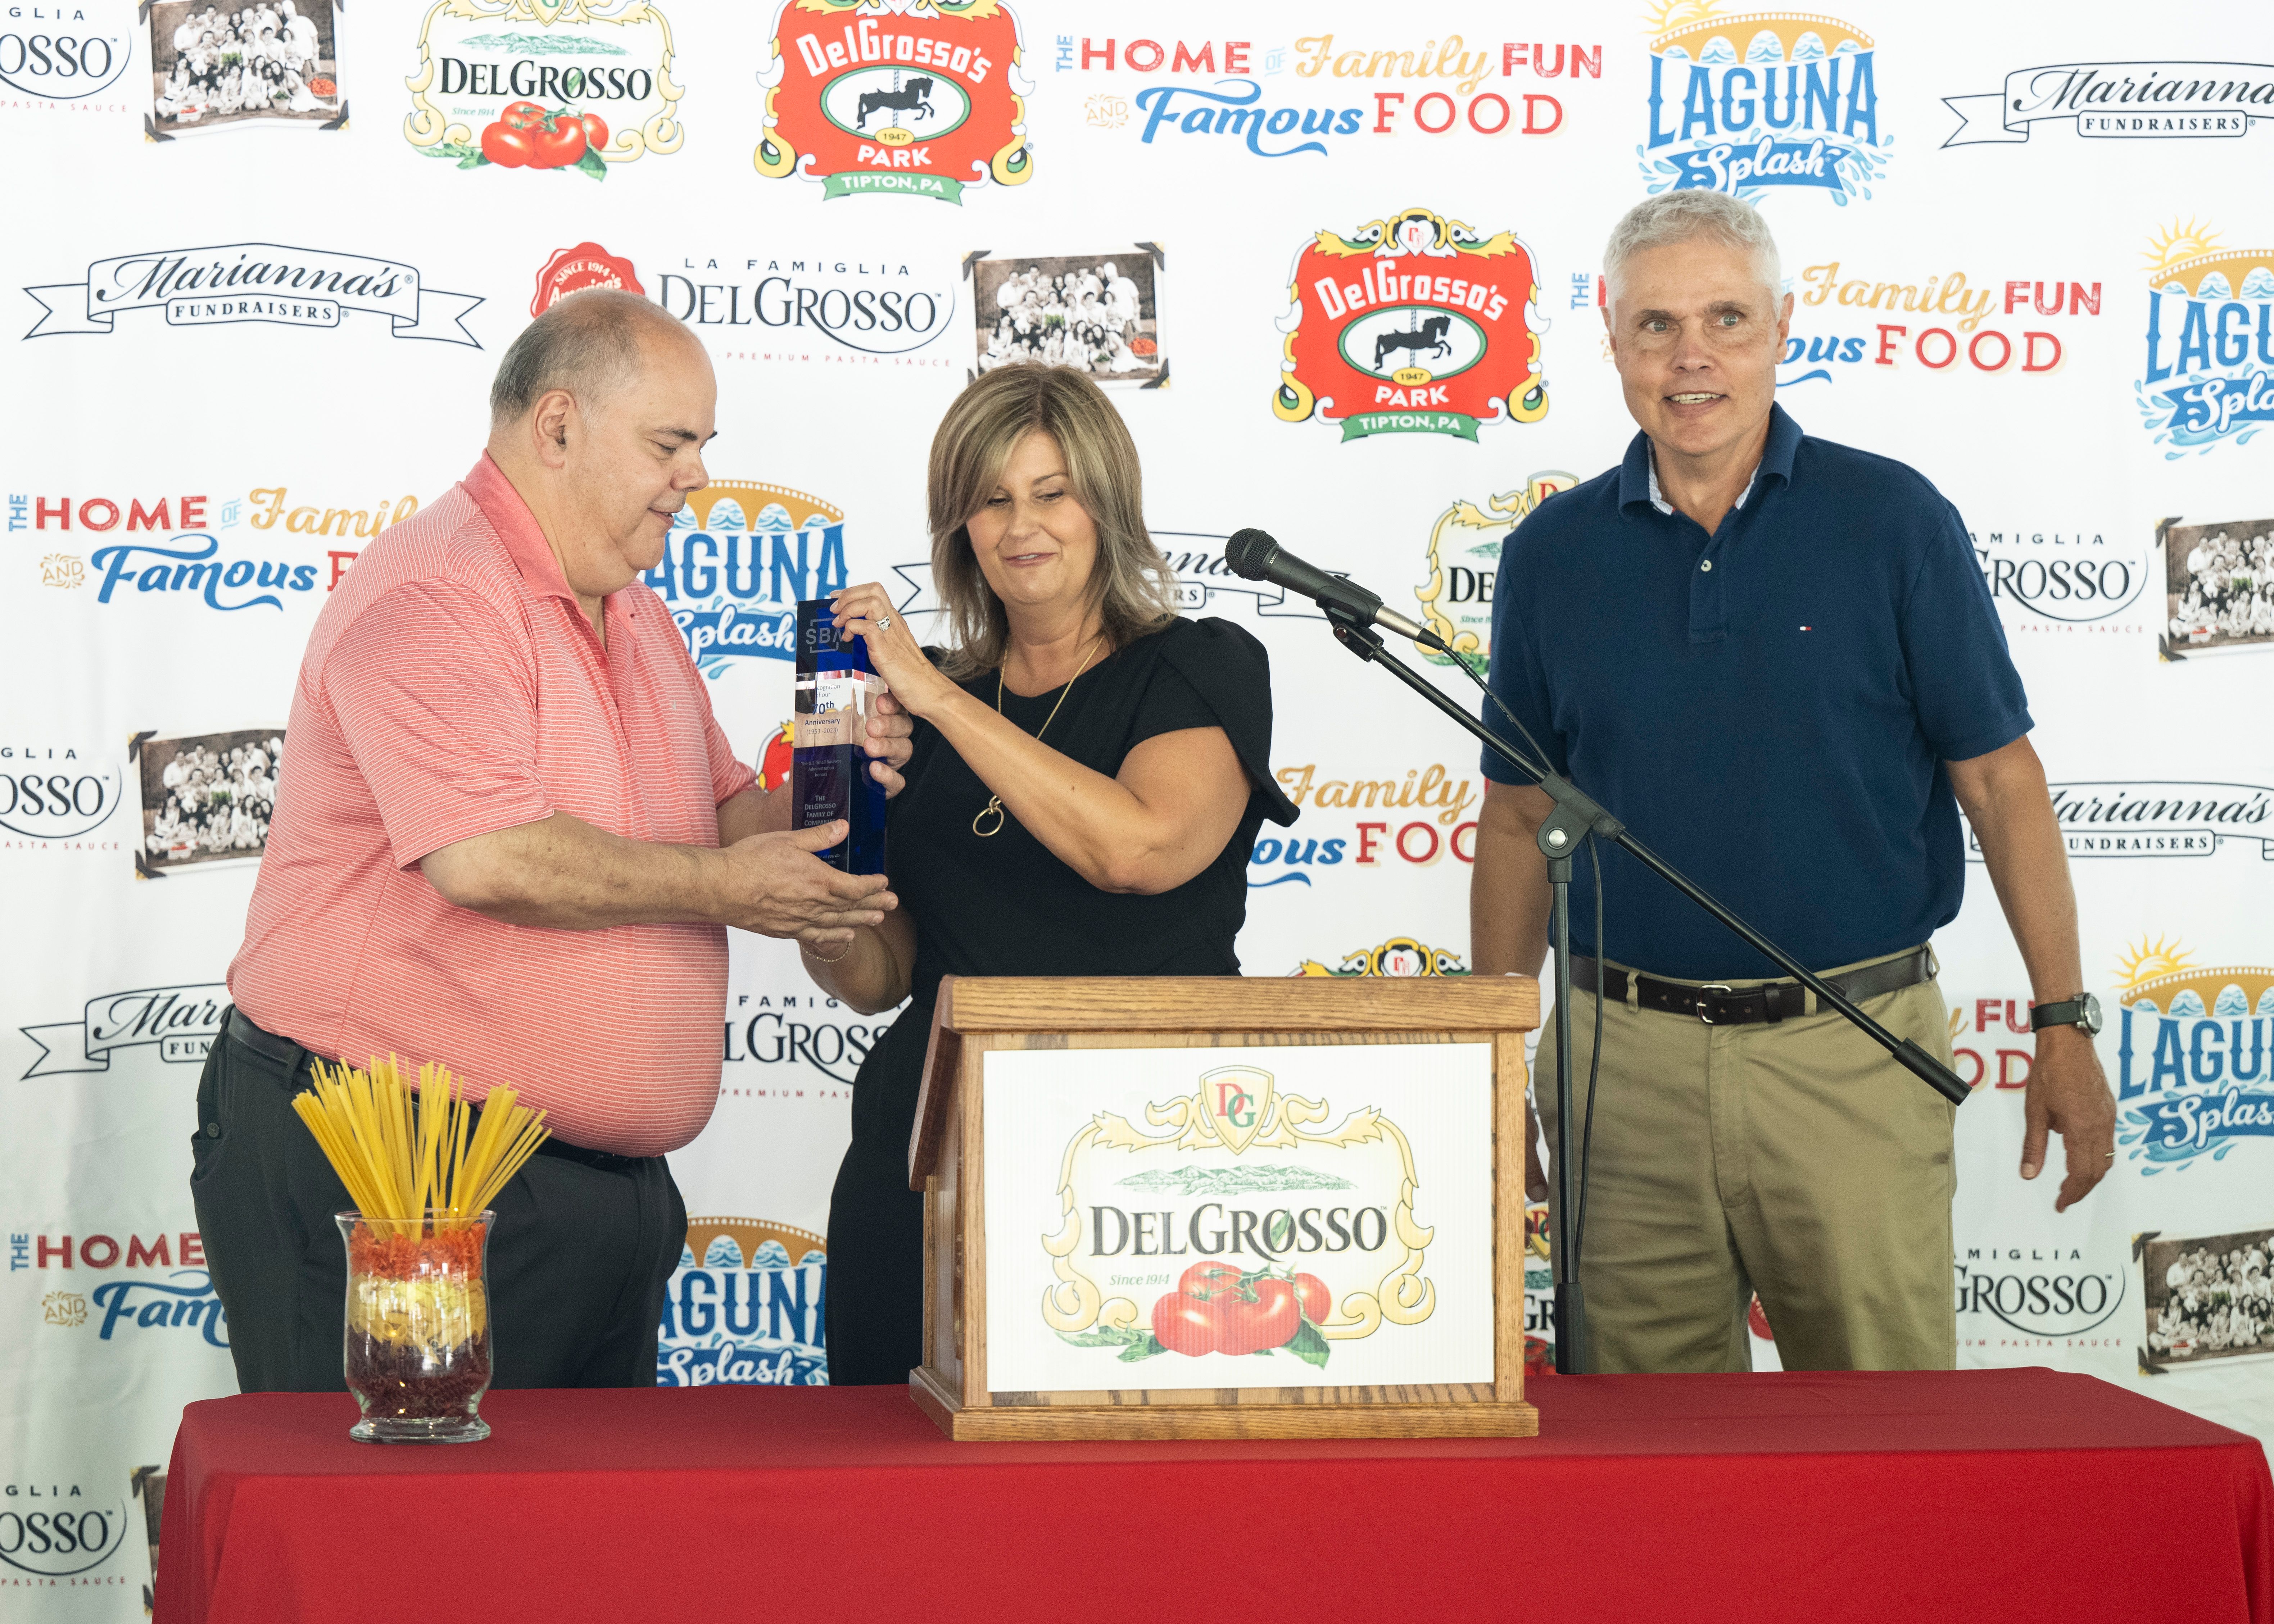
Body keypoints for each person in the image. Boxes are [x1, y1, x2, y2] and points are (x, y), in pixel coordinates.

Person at [195, 290, 914, 1393]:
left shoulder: (634, 608)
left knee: (551, 1556)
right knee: (392, 1543)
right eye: (671, 444)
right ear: (561, 427)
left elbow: (715, 815)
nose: (698, 478)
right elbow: (487, 855)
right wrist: (729, 883)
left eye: (703, 448)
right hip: (401, 1165)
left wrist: (832, 777)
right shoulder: (439, 590)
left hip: (583, 1193)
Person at [1468, 190, 2117, 1375]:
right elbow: (1516, 817)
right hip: (1621, 1072)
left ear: (1783, 328)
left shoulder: (1895, 521)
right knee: (1648, 1481)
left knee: (1887, 1452)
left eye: (1726, 317)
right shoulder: (1549, 556)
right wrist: (1486, 1060)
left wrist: (2063, 1022)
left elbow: (2003, 783)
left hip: (1852, 1056)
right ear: (1612, 341)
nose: (1692, 356)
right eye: (1656, 326)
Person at [805, 362, 1298, 1384]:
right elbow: (881, 977)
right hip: (928, 1146)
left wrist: (940, 701)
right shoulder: (919, 694)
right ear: (960, 528)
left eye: (1050, 491)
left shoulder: (1199, 664)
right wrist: (821, 901)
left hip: (1144, 1161)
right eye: (990, 499)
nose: (1020, 525)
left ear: (1107, 504)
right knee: (887, 1490)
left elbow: (1139, 849)